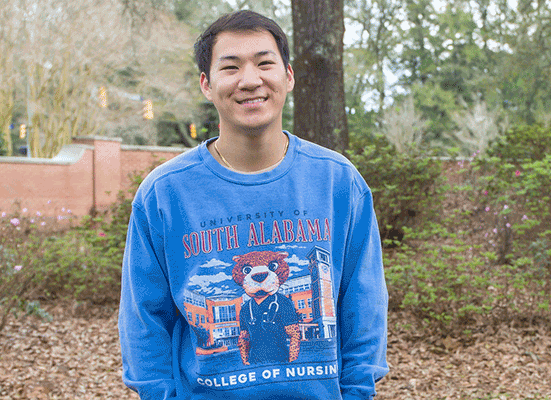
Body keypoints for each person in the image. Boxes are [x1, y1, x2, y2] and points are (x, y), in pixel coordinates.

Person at [118, 9, 389, 400]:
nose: (250, 80)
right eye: (230, 68)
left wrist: (356, 391)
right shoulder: (164, 194)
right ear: (206, 84)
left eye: (265, 63)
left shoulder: (338, 182)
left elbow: (364, 305)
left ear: (288, 76)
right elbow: (144, 320)